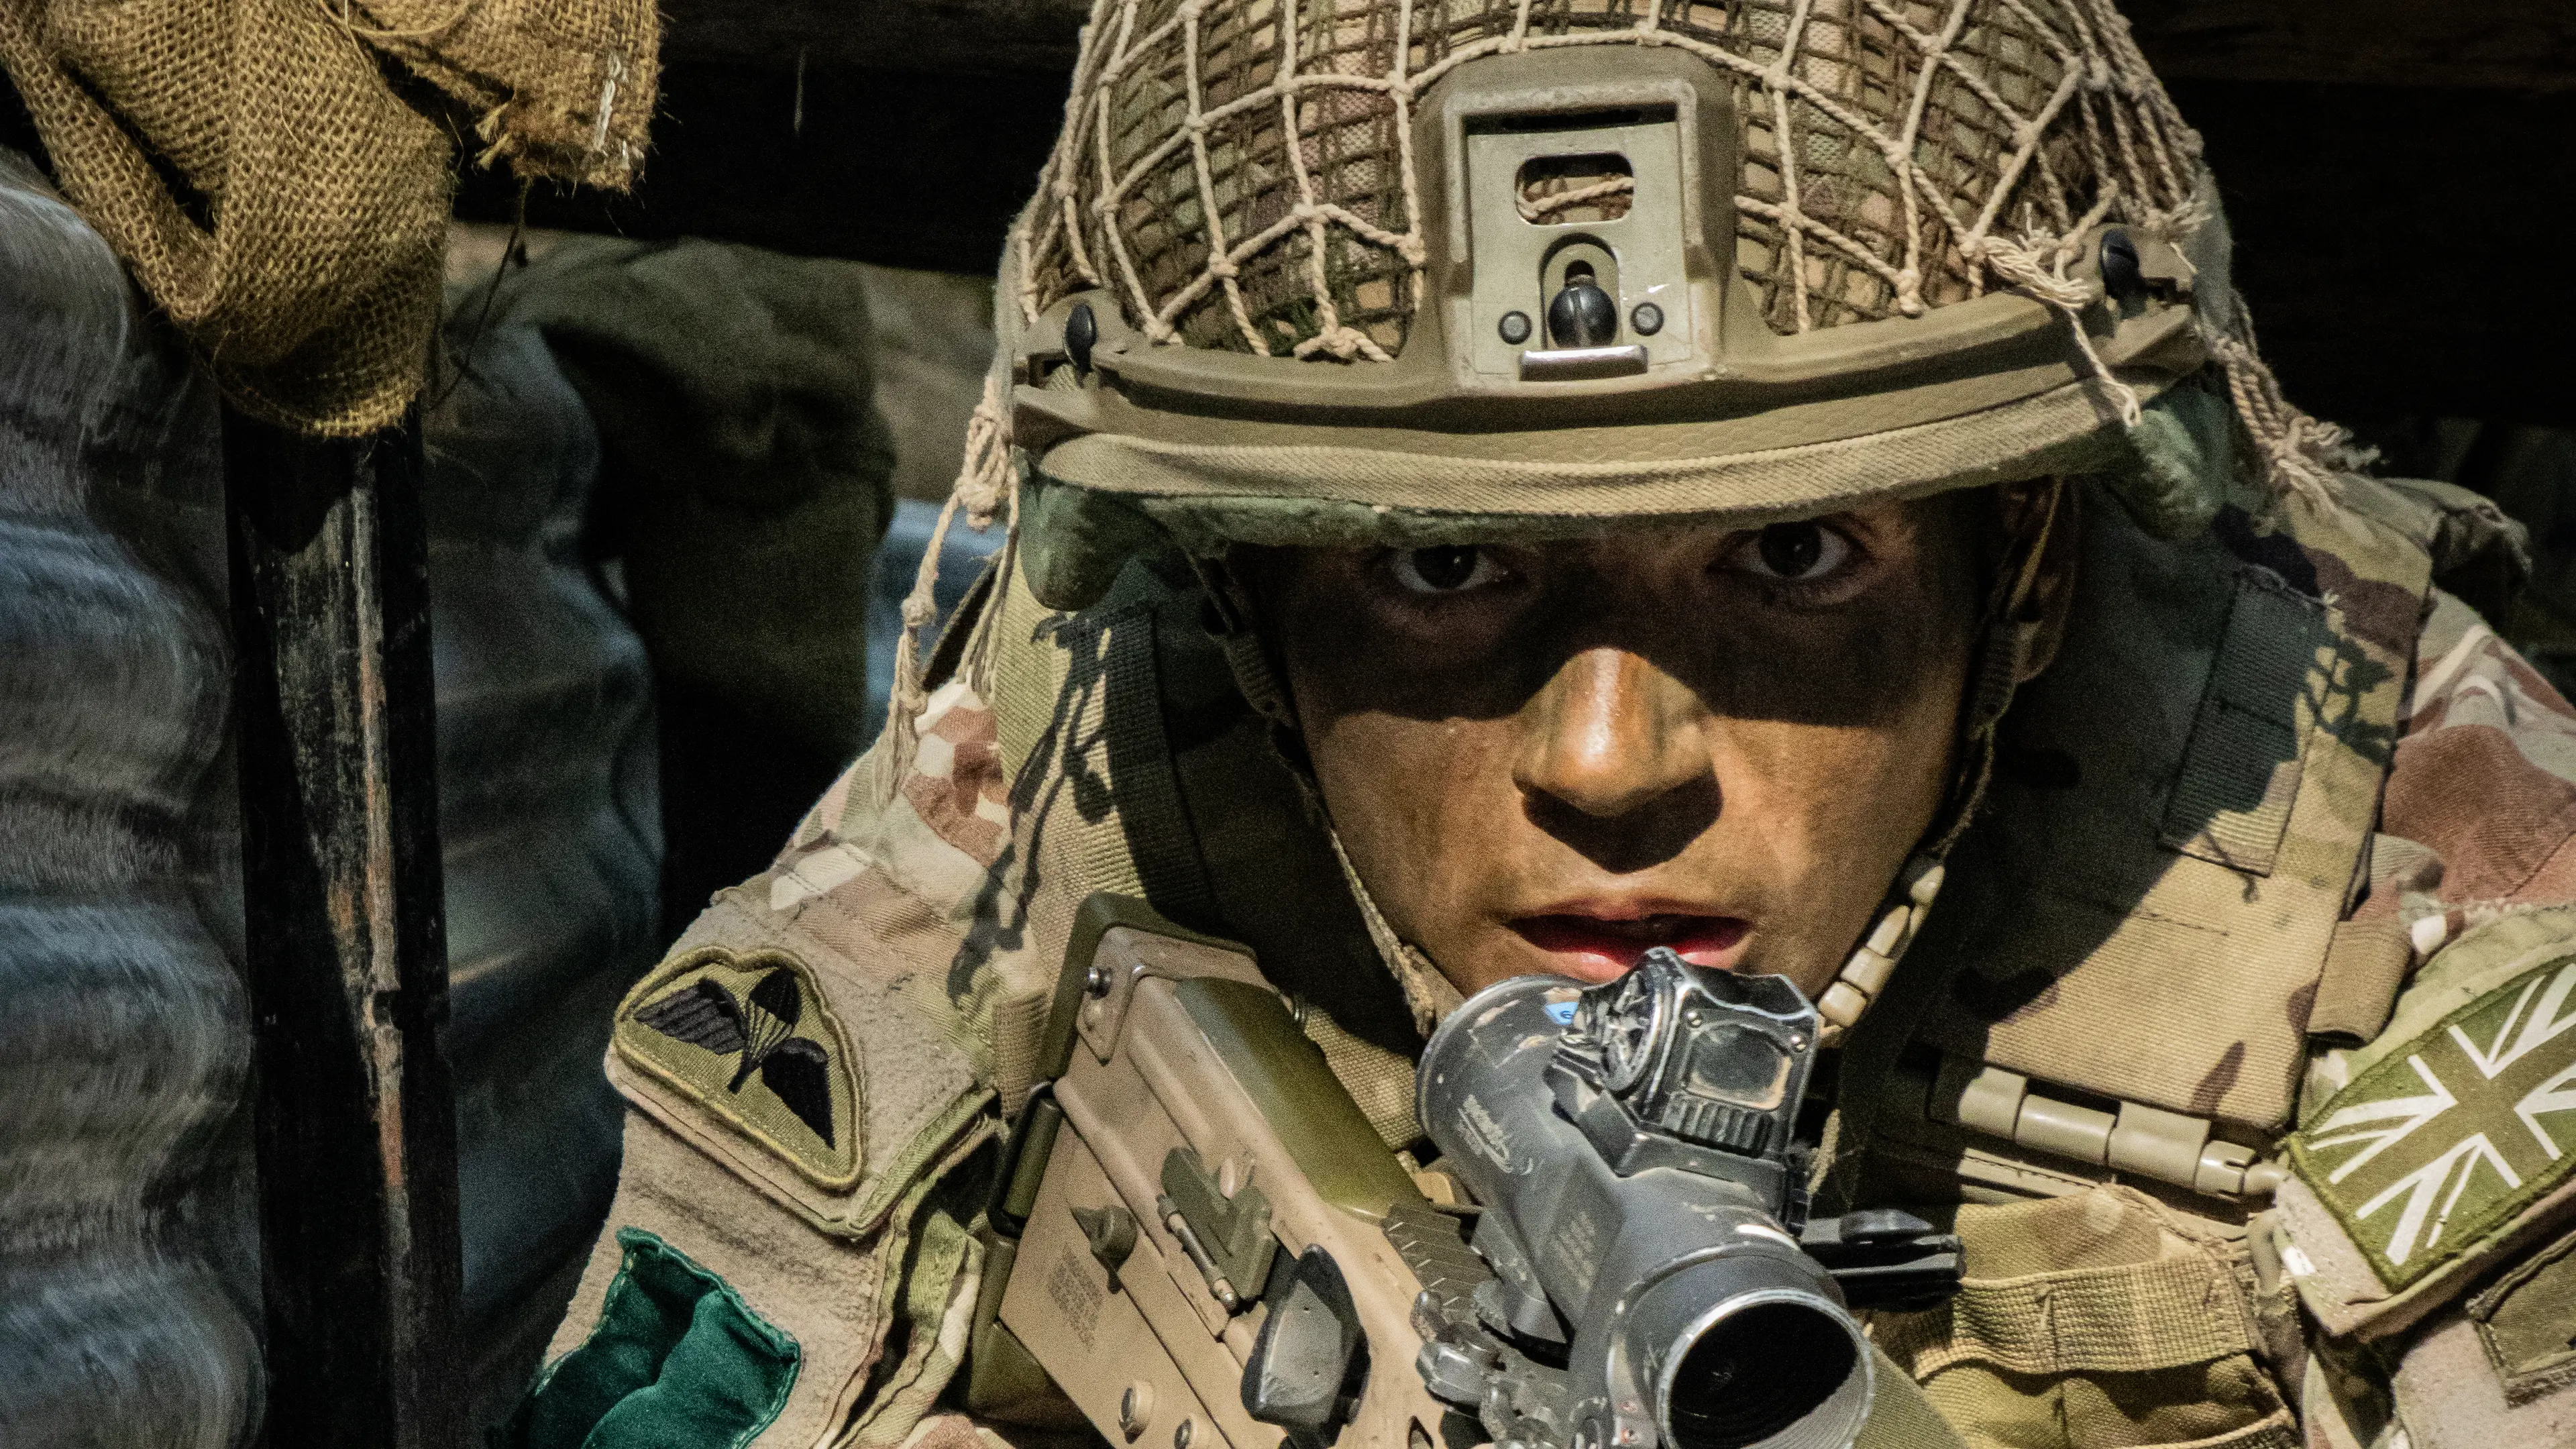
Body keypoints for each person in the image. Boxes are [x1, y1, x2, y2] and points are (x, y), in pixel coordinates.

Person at [504, 3, 2576, 1446]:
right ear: (1240, 586)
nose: (1606, 763)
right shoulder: (1076, 786)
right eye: (1438, 569)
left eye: (1791, 563)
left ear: (2020, 564)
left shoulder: (2395, 885)